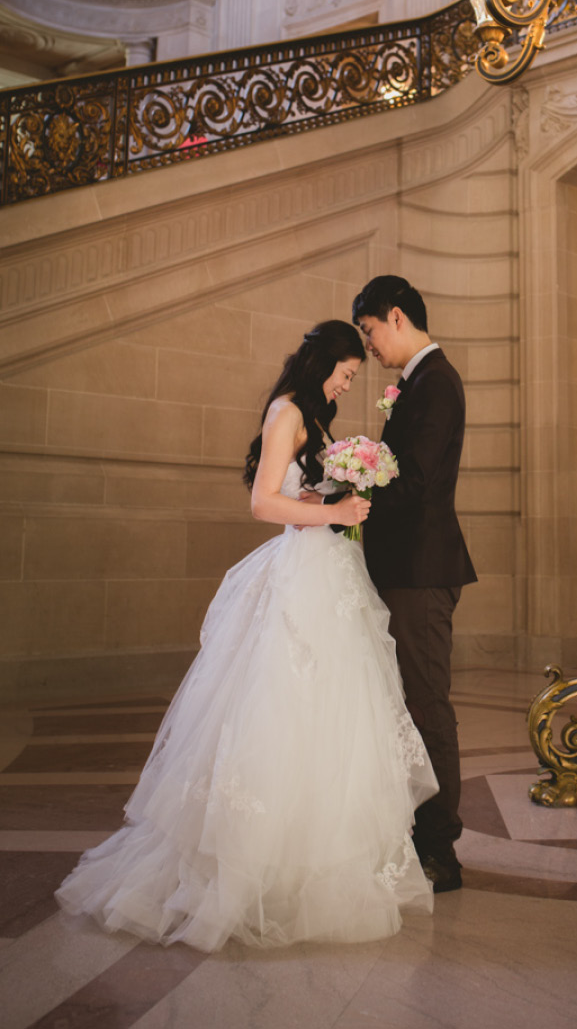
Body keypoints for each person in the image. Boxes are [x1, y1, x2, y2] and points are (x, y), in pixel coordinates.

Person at [55, 320, 437, 951]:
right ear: (324, 362)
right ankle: (255, 869)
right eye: (345, 373)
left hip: (331, 573)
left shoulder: (312, 418)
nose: (347, 383)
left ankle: (317, 856)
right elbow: (263, 503)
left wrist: (344, 488)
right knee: (281, 712)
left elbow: (304, 488)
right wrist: (334, 510)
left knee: (332, 718)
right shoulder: (286, 412)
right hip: (302, 574)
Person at [352, 276, 477, 893]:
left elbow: (418, 482)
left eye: (370, 332)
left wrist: (352, 493)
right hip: (403, 571)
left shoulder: (436, 383)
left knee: (428, 709)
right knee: (406, 707)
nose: (369, 345)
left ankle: (440, 852)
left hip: (421, 575)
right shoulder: (419, 383)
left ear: (396, 318)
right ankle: (412, 836)